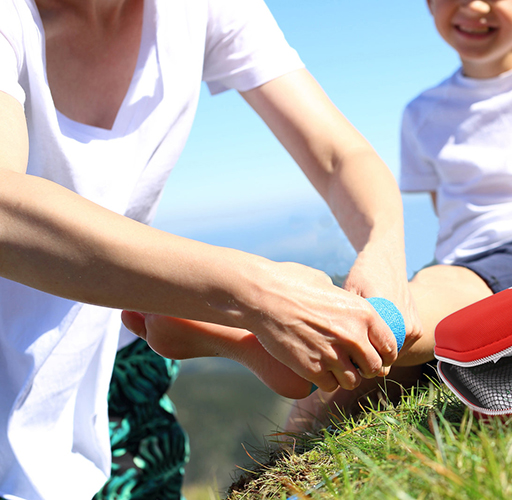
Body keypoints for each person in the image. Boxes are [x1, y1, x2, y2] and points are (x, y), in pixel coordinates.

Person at [137, 0, 512, 435]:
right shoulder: (422, 113)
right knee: (348, 389)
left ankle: (291, 316)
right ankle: (278, 381)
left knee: (414, 318)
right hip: (471, 263)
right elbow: (456, 219)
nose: (471, 6)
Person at [0, 0, 420, 498]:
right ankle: (181, 312)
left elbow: (337, 155)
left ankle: (174, 312)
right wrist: (255, 295)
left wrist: (385, 252)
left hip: (116, 363)